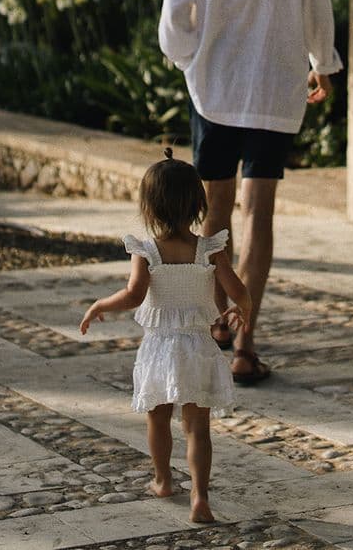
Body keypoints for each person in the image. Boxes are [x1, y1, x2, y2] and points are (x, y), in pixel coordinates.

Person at [158, 0, 342, 386]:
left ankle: (220, 321)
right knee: (259, 212)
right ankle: (246, 343)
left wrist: (192, 61)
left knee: (215, 214)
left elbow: (175, 16)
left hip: (214, 89)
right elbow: (318, 6)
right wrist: (323, 65)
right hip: (273, 87)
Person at [80, 150, 251, 524]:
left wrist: (100, 305)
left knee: (158, 419)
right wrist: (244, 309)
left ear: (150, 207)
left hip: (159, 348)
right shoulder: (210, 249)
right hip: (199, 348)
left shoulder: (147, 252)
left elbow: (134, 295)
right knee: (198, 429)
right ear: (197, 204)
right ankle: (200, 497)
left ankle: (162, 480)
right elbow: (238, 290)